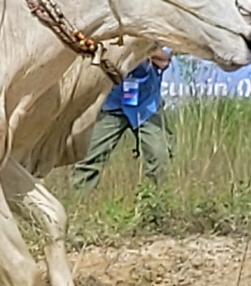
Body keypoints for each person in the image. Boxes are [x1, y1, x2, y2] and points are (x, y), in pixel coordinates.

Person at [71, 48, 175, 189]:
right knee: (89, 158)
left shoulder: (155, 29)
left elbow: (163, 59)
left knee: (159, 158)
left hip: (146, 105)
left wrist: (129, 51)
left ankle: (159, 205)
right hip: (112, 103)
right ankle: (79, 205)